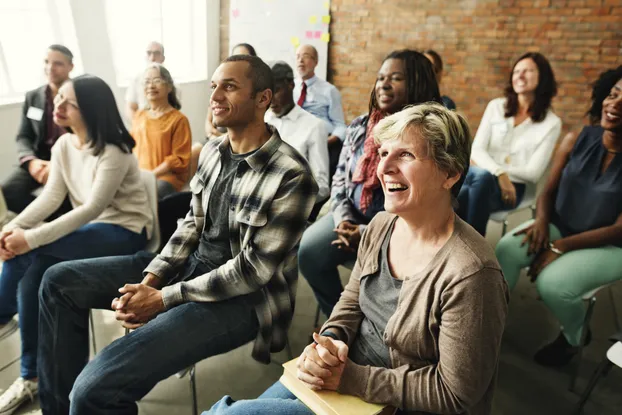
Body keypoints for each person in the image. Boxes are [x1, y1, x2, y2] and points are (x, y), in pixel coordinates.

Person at [36, 55, 318, 415]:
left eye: (229, 87)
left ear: (263, 98)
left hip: (243, 301)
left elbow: (252, 272)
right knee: (58, 280)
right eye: (214, 85)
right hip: (188, 270)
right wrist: (151, 280)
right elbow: (191, 224)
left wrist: (162, 298)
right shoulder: (214, 151)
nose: (215, 95)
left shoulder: (291, 175)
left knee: (93, 391)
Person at [204, 103, 510, 415]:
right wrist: (330, 342)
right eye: (383, 153)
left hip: (394, 402)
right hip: (347, 373)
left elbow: (455, 394)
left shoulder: (473, 274)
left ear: (450, 173)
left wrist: (352, 378)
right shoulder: (381, 226)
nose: (384, 168)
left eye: (406, 155)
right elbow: (352, 301)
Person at [0, 75, 152, 415]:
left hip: (125, 232)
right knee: (34, 264)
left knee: (33, 249)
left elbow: (90, 209)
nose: (58, 105)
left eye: (68, 102)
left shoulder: (114, 151)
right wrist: (13, 228)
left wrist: (30, 237)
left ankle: (1, 311)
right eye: (58, 98)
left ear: (90, 111)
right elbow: (53, 197)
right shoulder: (64, 146)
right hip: (95, 230)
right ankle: (32, 376)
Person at [299, 49, 442, 318]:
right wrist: (342, 220)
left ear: (418, 83)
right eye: (380, 78)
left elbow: (420, 208)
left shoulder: (428, 139)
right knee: (308, 253)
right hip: (350, 216)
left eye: (396, 78)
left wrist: (366, 233)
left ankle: (371, 328)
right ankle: (338, 318)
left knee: (386, 278)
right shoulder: (359, 126)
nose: (384, 85)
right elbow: (340, 177)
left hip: (403, 230)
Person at [495, 66, 622, 367]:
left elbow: (619, 229)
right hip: (558, 225)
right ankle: (487, 324)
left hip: (611, 246)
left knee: (553, 284)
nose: (614, 104)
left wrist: (559, 247)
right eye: (613, 94)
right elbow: (547, 192)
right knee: (506, 249)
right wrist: (541, 223)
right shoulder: (576, 138)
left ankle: (575, 336)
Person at [457, 52, 562, 236]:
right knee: (479, 180)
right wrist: (499, 173)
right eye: (516, 71)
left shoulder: (551, 123)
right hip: (478, 177)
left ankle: (462, 247)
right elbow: (477, 149)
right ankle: (475, 250)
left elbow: (533, 173)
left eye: (527, 71)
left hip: (513, 189)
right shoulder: (496, 106)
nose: (520, 75)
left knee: (462, 195)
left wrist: (496, 172)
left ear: (542, 77)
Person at [0, 45, 74, 217]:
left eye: (58, 63)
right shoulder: (33, 97)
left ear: (71, 67)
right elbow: (24, 136)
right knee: (7, 192)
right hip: (39, 160)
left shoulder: (81, 95)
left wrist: (56, 167)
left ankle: (66, 221)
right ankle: (53, 218)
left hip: (70, 160)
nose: (50, 68)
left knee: (67, 196)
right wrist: (31, 162)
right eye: (47, 62)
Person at [265, 61, 330, 219]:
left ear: (291, 85)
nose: (271, 99)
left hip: (288, 211)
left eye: (277, 90)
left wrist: (289, 203)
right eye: (267, 93)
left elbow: (322, 186)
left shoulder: (314, 126)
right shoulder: (262, 120)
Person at [132, 63, 192, 199]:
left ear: (169, 87)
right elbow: (131, 146)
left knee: (148, 196)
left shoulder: (179, 120)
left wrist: (151, 175)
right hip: (141, 175)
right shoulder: (140, 115)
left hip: (166, 178)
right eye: (146, 82)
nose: (151, 86)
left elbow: (178, 159)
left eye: (157, 81)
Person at [294, 44, 347, 181]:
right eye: (298, 57)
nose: (301, 60)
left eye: (306, 56)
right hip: (296, 138)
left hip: (324, 139)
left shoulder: (329, 91)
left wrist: (326, 141)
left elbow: (340, 125)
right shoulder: (288, 89)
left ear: (316, 62)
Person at [204, 43, 257, 140]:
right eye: (214, 86)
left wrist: (220, 139)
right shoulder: (218, 91)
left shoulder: (254, 94)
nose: (215, 96)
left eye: (243, 58)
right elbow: (208, 123)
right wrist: (212, 136)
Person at [125, 41, 165, 121]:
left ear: (163, 58)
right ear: (145, 57)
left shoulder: (170, 81)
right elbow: (130, 107)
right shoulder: (137, 79)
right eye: (149, 53)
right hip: (142, 125)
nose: (152, 58)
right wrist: (139, 126)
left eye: (156, 53)